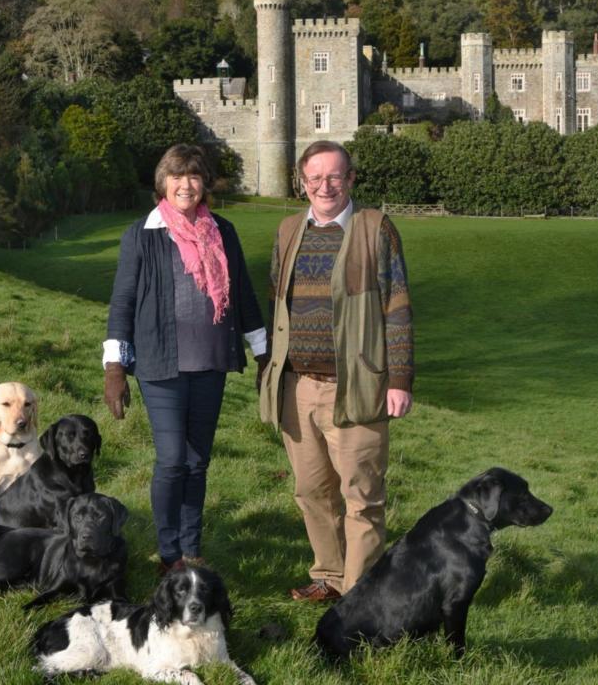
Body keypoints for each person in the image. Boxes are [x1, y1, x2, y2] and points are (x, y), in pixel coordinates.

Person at [259, 141, 414, 603]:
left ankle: (361, 591)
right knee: (311, 491)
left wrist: (400, 379)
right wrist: (268, 371)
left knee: (361, 495)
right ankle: (329, 577)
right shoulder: (289, 230)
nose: (324, 186)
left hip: (357, 385)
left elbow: (398, 306)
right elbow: (277, 307)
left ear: (350, 180)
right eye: (315, 178)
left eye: (334, 177)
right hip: (296, 386)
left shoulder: (374, 229)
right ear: (301, 183)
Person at [103, 143, 267, 572]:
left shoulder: (223, 231)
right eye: (177, 176)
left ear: (204, 183)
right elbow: (122, 301)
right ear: (163, 182)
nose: (185, 185)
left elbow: (244, 293)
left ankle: (192, 549)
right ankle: (168, 551)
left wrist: (264, 353)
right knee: (173, 459)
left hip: (210, 362)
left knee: (198, 462)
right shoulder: (142, 234)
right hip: (161, 366)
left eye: (194, 176)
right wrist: (115, 368)